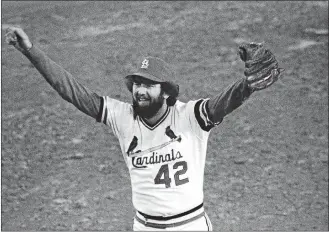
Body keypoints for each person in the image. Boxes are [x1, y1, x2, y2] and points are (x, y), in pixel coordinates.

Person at [5, 26, 282, 231]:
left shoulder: (189, 117)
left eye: (148, 84)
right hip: (144, 227)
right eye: (137, 84)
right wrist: (31, 51)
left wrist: (246, 86)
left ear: (166, 91)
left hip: (189, 225)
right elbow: (72, 91)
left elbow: (223, 104)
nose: (140, 90)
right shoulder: (122, 117)